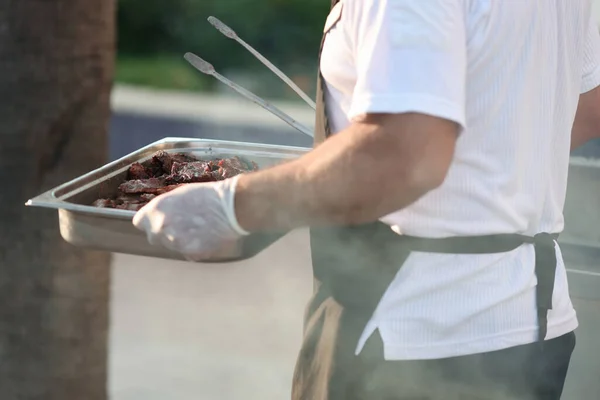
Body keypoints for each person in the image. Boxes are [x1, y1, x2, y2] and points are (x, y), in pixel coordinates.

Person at [132, 0, 600, 398]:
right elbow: (589, 103)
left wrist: (231, 205)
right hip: (536, 325)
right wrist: (478, 169)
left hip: (411, 339)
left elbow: (405, 158)